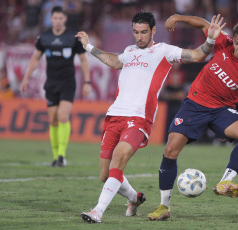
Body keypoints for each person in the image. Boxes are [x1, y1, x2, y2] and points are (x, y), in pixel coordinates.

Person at [75, 10, 225, 224]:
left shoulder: (164, 50)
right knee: (105, 174)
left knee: (119, 159)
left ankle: (98, 211)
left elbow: (198, 55)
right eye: (136, 32)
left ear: (153, 30)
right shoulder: (129, 51)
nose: (139, 37)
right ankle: (134, 198)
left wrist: (210, 39)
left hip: (138, 118)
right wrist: (89, 46)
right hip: (115, 115)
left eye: (144, 32)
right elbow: (115, 61)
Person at [148, 14, 238, 220]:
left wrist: (236, 122)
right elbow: (203, 23)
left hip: (222, 111)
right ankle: (163, 207)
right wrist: (176, 17)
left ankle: (225, 181)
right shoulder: (224, 42)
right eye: (237, 43)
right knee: (170, 150)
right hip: (195, 105)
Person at [20, 6, 91, 167]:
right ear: (51, 19)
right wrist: (26, 79)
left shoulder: (72, 38)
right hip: (51, 84)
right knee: (52, 120)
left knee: (63, 117)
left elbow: (83, 60)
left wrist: (87, 82)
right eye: (55, 18)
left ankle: (61, 155)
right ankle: (55, 156)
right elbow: (35, 59)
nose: (58, 21)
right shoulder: (44, 38)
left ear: (64, 19)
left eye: (61, 18)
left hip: (68, 83)